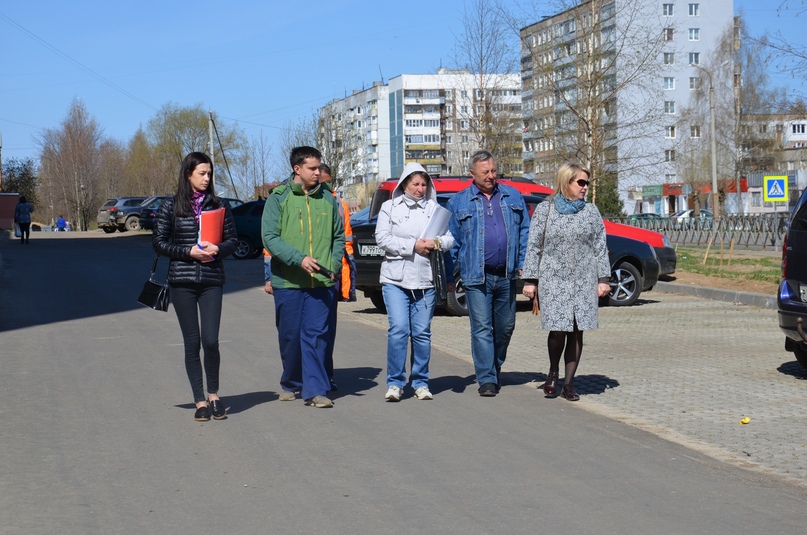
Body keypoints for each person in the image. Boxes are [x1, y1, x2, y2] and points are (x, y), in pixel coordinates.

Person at [152, 152, 238, 421]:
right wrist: (188, 252)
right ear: (188, 174)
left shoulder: (219, 205)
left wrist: (218, 248)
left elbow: (232, 241)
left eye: (209, 173)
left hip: (212, 280)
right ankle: (200, 401)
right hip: (182, 282)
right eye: (202, 173)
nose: (207, 178)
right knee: (193, 343)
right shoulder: (171, 207)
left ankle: (214, 395)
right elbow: (158, 243)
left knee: (211, 341)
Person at [262, 146, 345, 408]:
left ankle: (316, 390)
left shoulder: (328, 199)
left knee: (316, 336)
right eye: (312, 168)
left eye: (319, 168)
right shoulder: (278, 198)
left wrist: (331, 265)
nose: (318, 173)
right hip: (288, 282)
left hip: (321, 282)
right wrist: (299, 259)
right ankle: (291, 381)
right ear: (297, 169)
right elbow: (270, 238)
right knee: (290, 337)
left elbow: (338, 237)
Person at [521, 163, 611, 401]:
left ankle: (569, 384)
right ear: (566, 181)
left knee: (577, 330)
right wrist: (530, 280)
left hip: (583, 279)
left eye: (587, 183)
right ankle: (553, 372)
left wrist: (603, 279)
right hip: (553, 279)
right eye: (580, 182)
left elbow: (600, 247)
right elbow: (534, 246)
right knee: (558, 328)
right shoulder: (545, 210)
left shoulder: (591, 212)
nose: (585, 187)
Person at [446, 150, 530, 397]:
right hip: (475, 276)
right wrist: (450, 278)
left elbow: (525, 231)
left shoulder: (511, 196)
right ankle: (487, 379)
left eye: (494, 171)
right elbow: (452, 243)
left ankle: (494, 366)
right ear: (472, 174)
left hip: (507, 274)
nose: (492, 176)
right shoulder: (458, 202)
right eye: (486, 172)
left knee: (505, 326)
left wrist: (525, 263)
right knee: (482, 328)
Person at [375, 163, 454, 401]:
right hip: (395, 279)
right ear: (404, 184)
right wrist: (412, 246)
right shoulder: (389, 207)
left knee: (421, 333)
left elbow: (449, 238)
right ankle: (395, 383)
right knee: (399, 329)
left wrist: (436, 244)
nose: (420, 189)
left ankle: (420, 382)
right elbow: (382, 238)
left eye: (423, 184)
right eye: (415, 184)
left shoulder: (435, 209)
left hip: (426, 280)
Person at [318, 163, 355, 392]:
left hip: (332, 275)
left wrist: (347, 281)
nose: (324, 183)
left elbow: (347, 244)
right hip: (303, 274)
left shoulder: (340, 205)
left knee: (328, 331)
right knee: (309, 330)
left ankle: (326, 376)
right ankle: (302, 374)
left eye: (328, 180)